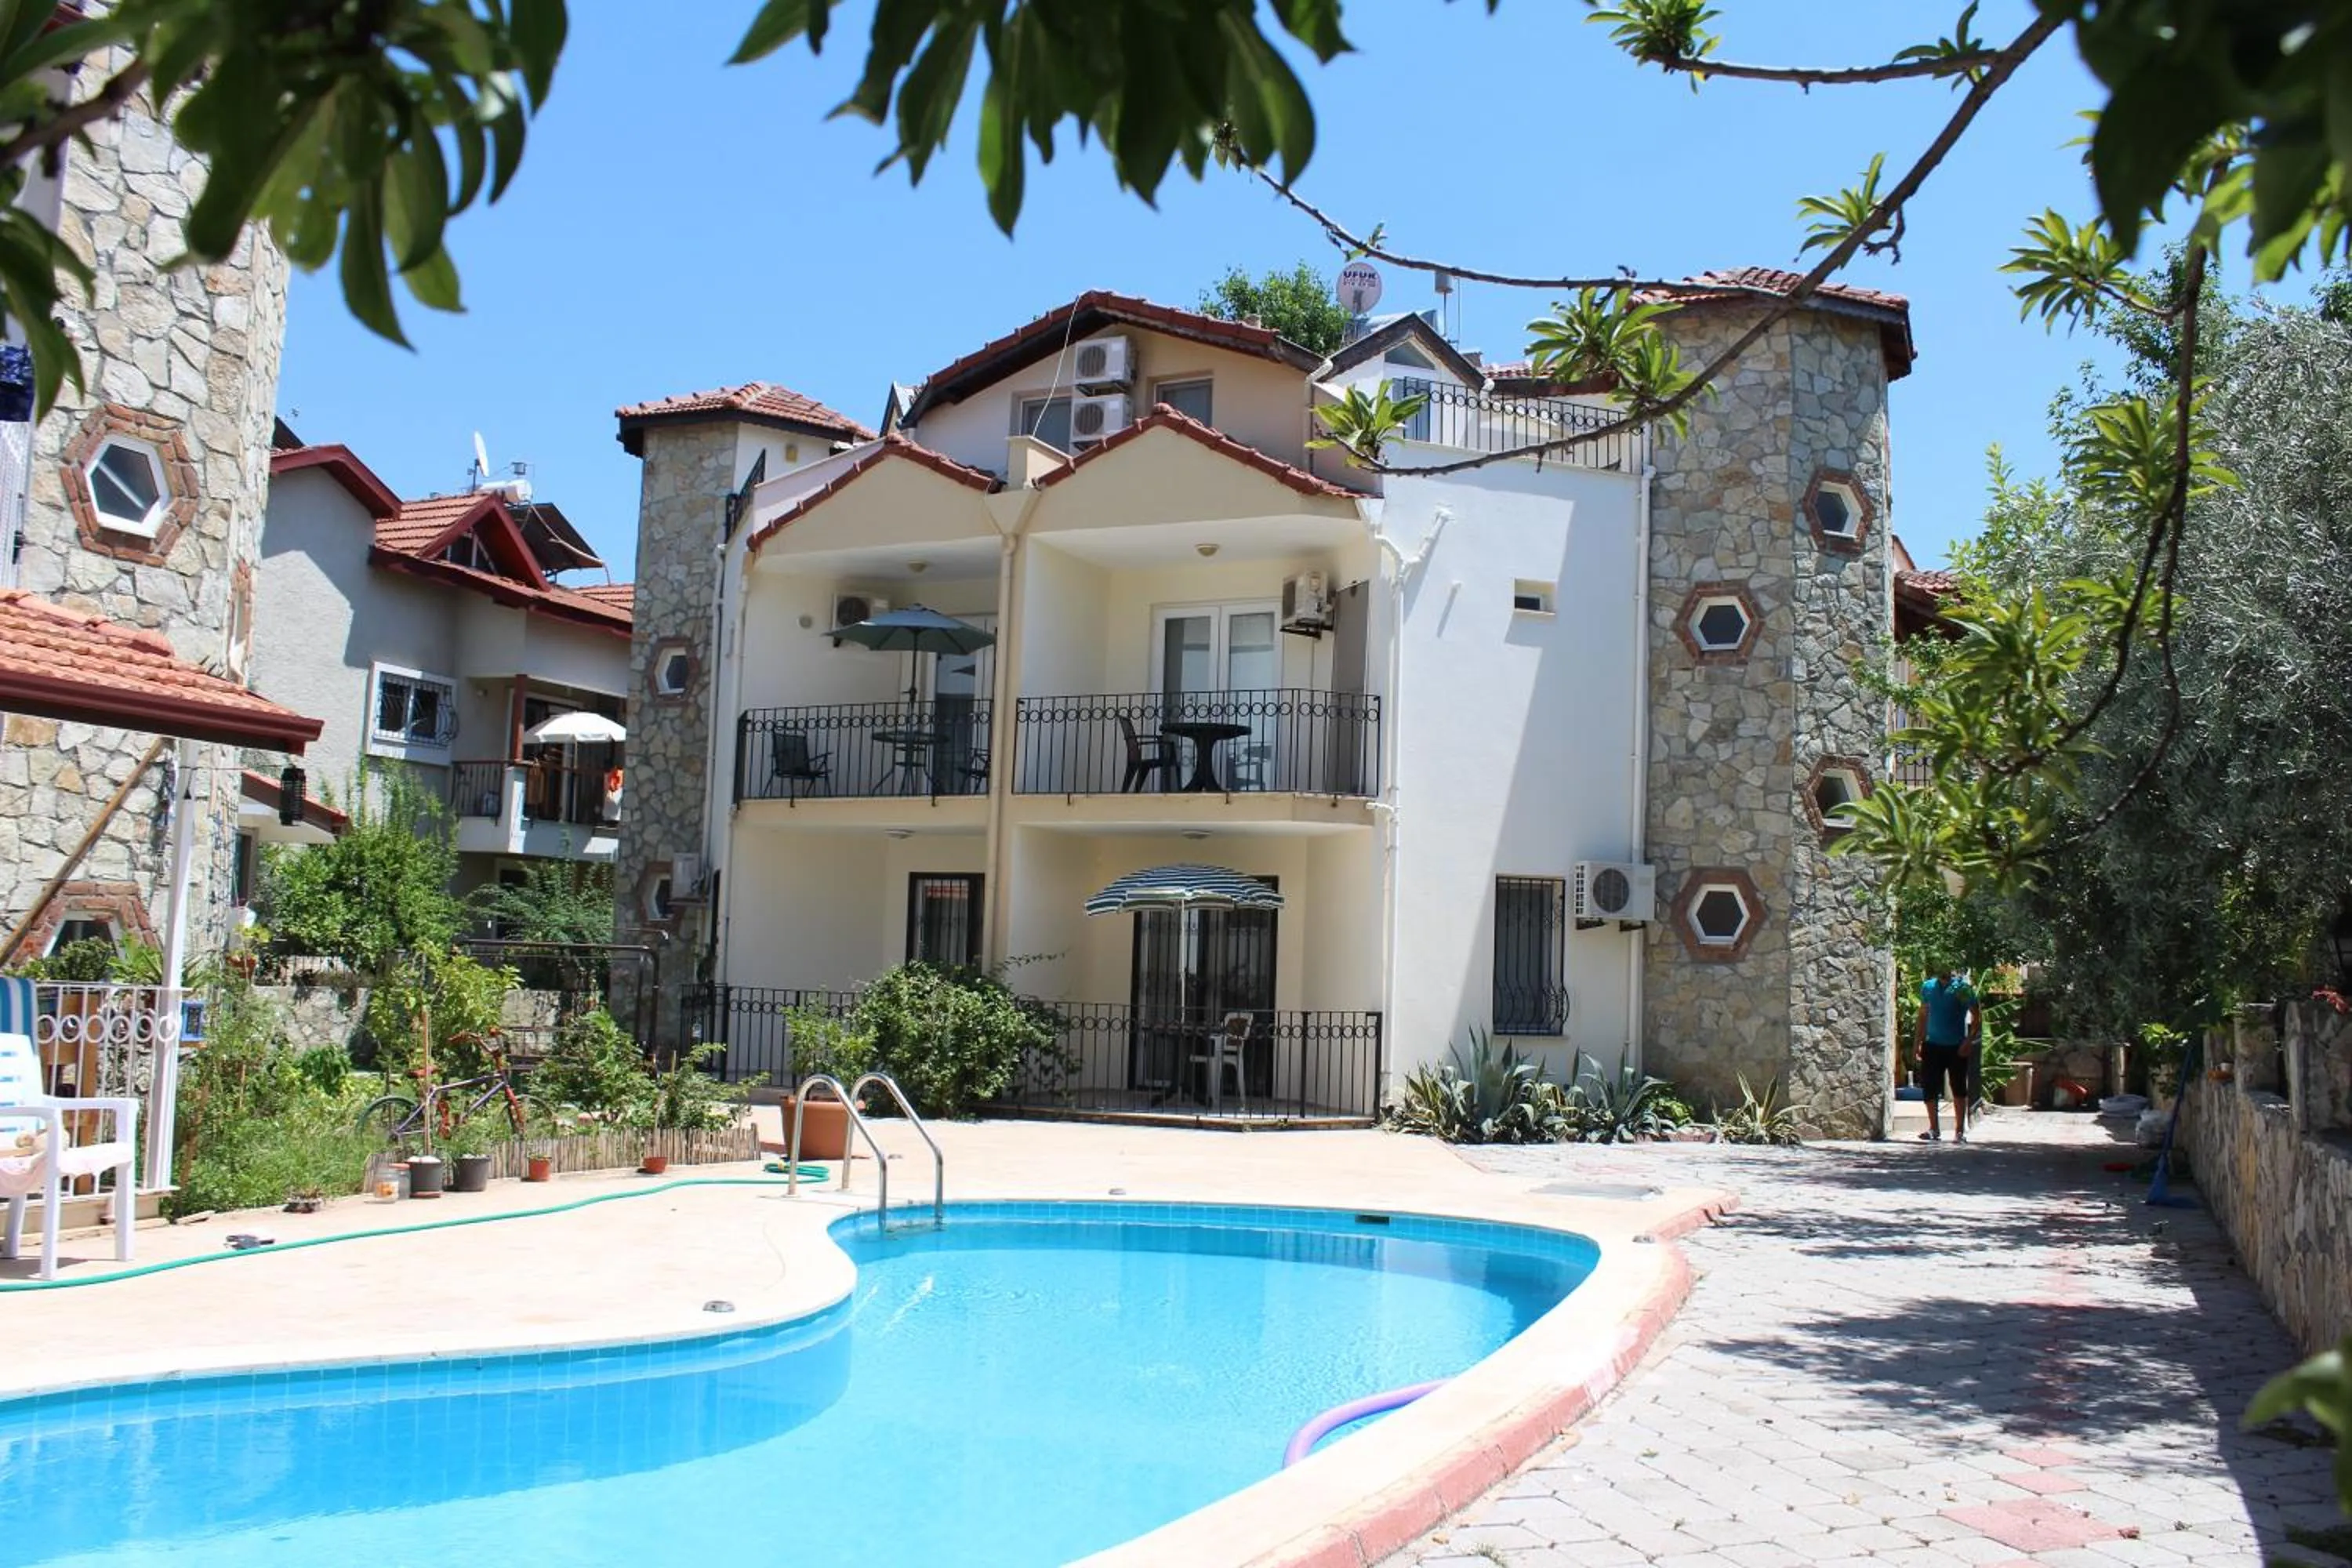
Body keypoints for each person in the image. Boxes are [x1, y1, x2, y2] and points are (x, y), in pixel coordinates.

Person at [1914, 966, 1980, 1143]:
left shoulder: (1962, 989)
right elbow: (1923, 1014)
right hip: (1932, 1045)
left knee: (1958, 1087)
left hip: (1956, 1046)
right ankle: (1934, 1129)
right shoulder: (1928, 987)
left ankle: (1959, 1131)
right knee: (1929, 1087)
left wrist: (1969, 1040)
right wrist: (1918, 1042)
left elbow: (1976, 1015)